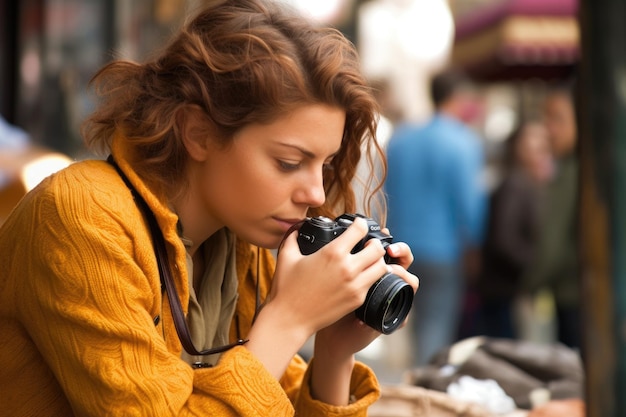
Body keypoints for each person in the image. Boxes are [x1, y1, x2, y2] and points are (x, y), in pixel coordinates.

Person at [0, 1, 419, 415]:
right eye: (289, 163)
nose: (314, 193)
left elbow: (268, 396)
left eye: (324, 165)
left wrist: (333, 349)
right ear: (197, 132)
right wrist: (288, 319)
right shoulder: (81, 217)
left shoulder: (239, 243)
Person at [385, 68, 487, 367]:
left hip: (402, 245)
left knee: (413, 319)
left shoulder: (402, 139)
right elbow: (470, 205)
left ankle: (418, 380)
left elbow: (386, 191)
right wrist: (475, 248)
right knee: (437, 324)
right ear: (457, 99)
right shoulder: (463, 142)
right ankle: (427, 395)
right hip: (445, 250)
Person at [477, 121, 553, 339]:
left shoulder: (535, 183)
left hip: (512, 288)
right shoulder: (515, 185)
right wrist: (535, 267)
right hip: (506, 289)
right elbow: (504, 239)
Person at [522, 82, 580, 349]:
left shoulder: (574, 171)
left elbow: (552, 243)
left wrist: (531, 285)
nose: (549, 129)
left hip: (577, 296)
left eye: (557, 118)